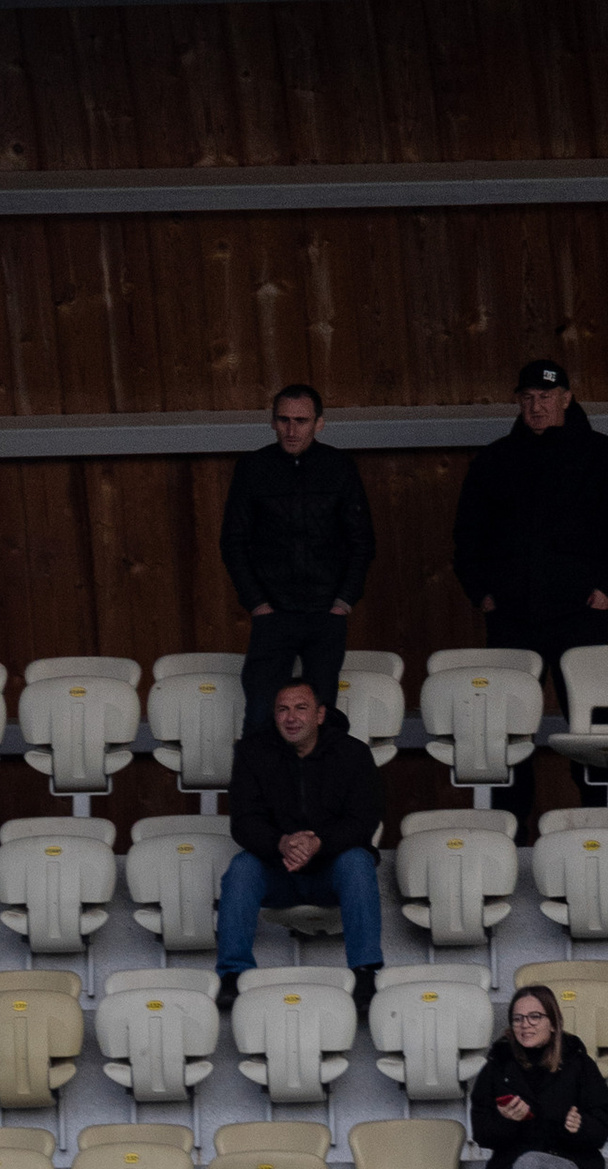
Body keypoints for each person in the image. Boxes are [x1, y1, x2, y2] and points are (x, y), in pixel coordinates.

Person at [451, 357, 608, 813]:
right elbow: (468, 535)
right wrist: (482, 591)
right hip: (513, 616)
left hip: (581, 613)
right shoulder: (496, 459)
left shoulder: (600, 454)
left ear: (566, 398)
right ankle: (513, 836)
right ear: (518, 401)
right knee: (507, 727)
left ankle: (602, 824)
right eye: (529, 398)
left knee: (591, 727)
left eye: (546, 397)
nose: (537, 407)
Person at [215, 677, 384, 1012]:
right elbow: (244, 821)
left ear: (320, 715)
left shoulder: (353, 753)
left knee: (358, 861)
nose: (291, 717)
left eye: (301, 708)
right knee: (242, 867)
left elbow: (363, 820)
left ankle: (365, 974)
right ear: (274, 716)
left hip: (331, 871)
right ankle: (233, 975)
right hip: (278, 870)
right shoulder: (252, 753)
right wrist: (282, 843)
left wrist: (317, 842)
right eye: (283, 709)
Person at [219, 381, 376, 731]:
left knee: (320, 718)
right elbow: (233, 541)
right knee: (261, 714)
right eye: (284, 420)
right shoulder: (253, 468)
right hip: (274, 613)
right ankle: (259, 787)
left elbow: (362, 540)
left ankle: (318, 788)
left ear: (319, 423)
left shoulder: (339, 467)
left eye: (301, 421)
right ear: (272, 422)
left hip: (326, 613)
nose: (292, 430)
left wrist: (343, 602)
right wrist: (258, 603)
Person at [468, 977, 608, 1169]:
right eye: (518, 1019)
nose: (526, 1025)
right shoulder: (497, 1067)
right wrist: (505, 1120)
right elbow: (481, 1131)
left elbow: (604, 1120)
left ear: (553, 1022)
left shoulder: (579, 1064)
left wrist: (580, 1126)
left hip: (571, 1167)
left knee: (532, 1161)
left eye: (535, 1017)